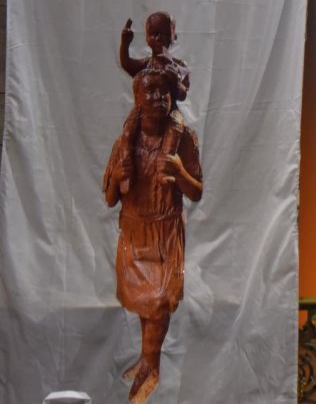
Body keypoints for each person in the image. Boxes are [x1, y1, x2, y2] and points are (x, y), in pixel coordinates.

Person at [103, 69, 203, 404]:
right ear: (137, 99)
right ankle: (147, 360)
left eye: (164, 93)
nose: (158, 99)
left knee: (159, 300)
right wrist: (118, 174)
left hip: (165, 230)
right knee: (144, 300)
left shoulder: (183, 138)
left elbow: (197, 191)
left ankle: (153, 366)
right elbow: (109, 197)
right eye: (150, 92)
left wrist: (179, 171)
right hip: (134, 230)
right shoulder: (125, 143)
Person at [117, 13, 190, 195]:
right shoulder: (145, 64)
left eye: (164, 34)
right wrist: (125, 44)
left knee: (176, 126)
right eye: (154, 34)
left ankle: (165, 166)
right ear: (147, 38)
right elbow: (126, 64)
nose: (159, 38)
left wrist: (175, 81)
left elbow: (182, 95)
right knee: (128, 130)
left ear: (173, 36)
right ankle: (127, 168)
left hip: (169, 113)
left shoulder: (179, 66)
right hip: (145, 114)